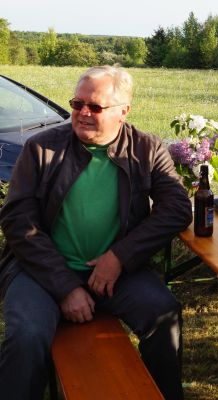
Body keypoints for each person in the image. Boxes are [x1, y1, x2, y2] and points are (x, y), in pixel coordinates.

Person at [0, 66, 192, 399]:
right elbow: (18, 220)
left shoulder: (146, 149)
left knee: (164, 315)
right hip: (40, 272)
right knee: (26, 336)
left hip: (117, 274)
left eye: (95, 107)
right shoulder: (41, 148)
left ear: (124, 111)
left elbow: (177, 208)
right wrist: (65, 287)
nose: (83, 113)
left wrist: (120, 257)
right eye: (77, 104)